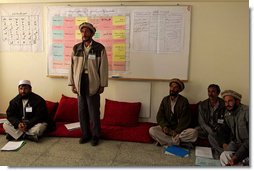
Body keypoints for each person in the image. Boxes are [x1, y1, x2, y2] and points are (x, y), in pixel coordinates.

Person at [68, 22, 108, 146]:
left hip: (93, 82)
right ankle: (85, 134)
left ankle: (96, 135)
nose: (84, 34)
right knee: (82, 110)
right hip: (80, 82)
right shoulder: (76, 48)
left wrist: (102, 84)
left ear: (92, 33)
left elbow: (104, 67)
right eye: (82, 32)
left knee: (94, 111)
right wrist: (72, 83)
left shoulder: (99, 48)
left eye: (87, 31)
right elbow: (71, 67)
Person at [149, 78, 198, 147]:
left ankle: (166, 141)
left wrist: (176, 131)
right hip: (167, 129)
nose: (172, 89)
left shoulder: (184, 101)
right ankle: (176, 142)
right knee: (152, 130)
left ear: (179, 90)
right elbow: (160, 116)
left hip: (179, 130)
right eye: (171, 86)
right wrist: (164, 126)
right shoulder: (165, 100)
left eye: (175, 87)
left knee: (194, 133)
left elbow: (185, 119)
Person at [219, 90, 249, 166]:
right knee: (223, 155)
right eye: (225, 102)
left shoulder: (247, 112)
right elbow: (225, 130)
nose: (227, 104)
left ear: (237, 101)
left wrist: (236, 156)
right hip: (237, 143)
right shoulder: (227, 113)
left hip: (249, 145)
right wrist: (224, 143)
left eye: (230, 101)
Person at [195, 84, 225, 158]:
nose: (210, 94)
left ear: (218, 93)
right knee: (193, 131)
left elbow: (225, 121)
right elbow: (201, 122)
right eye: (209, 91)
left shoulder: (223, 104)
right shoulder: (202, 105)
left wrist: (215, 130)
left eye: (213, 92)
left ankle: (222, 153)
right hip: (205, 128)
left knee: (211, 136)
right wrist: (210, 130)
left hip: (219, 129)